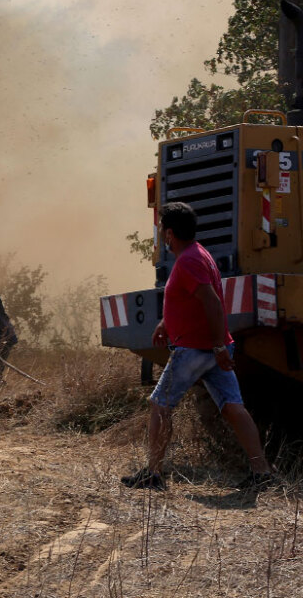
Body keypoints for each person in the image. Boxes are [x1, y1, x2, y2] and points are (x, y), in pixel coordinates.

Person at [121, 201, 274, 490]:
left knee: (159, 405)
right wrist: (167, 323)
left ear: (169, 234)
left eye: (163, 230)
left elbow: (213, 302)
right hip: (210, 349)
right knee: (233, 407)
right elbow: (193, 299)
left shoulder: (188, 260)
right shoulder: (199, 254)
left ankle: (153, 474)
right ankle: (261, 472)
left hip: (194, 350)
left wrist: (217, 347)